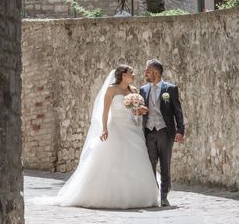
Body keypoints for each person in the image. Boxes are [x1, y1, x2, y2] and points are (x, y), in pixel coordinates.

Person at [53, 64, 160, 209]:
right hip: (116, 127)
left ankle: (138, 196)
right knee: (115, 159)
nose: (134, 75)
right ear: (123, 75)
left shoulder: (134, 90)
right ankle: (110, 196)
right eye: (131, 73)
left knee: (135, 159)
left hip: (133, 129)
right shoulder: (112, 89)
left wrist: (139, 110)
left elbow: (134, 112)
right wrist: (104, 129)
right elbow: (105, 111)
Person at [139, 59, 185, 207]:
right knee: (150, 164)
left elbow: (178, 111)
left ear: (156, 73)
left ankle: (164, 195)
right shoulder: (143, 90)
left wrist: (180, 130)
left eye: (148, 70)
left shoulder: (170, 89)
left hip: (165, 132)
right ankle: (154, 193)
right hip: (149, 132)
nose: (145, 73)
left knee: (165, 164)